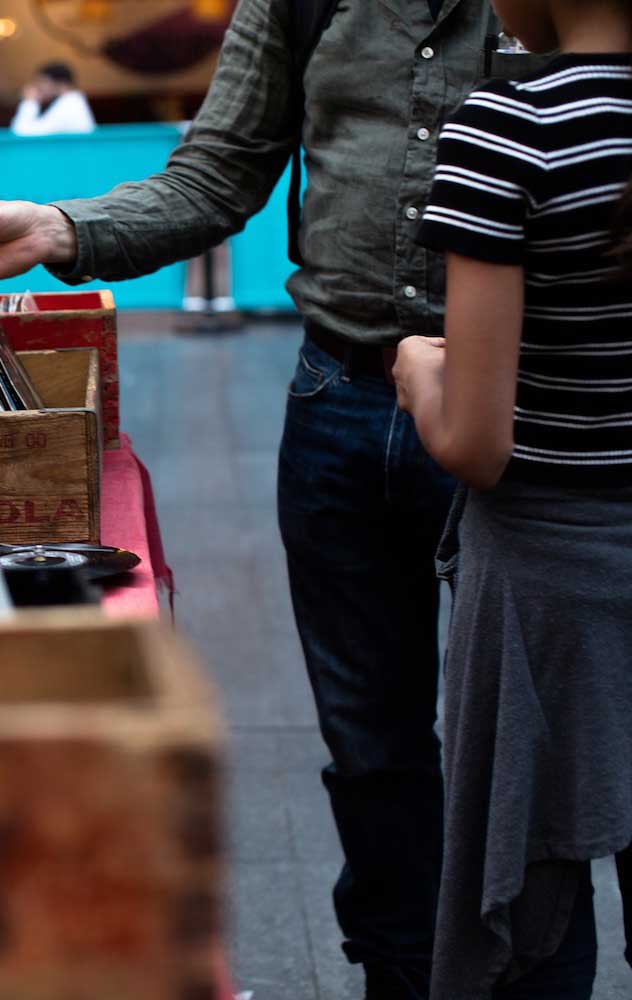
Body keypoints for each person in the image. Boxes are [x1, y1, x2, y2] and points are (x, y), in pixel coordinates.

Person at [0, 3, 544, 996]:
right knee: (370, 743)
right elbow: (216, 175)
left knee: (524, 747)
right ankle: (400, 972)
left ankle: (516, 975)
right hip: (338, 402)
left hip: (517, 406)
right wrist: (57, 228)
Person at [393, 1, 632, 996]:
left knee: (529, 915)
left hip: (543, 579)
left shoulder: (510, 126)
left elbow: (477, 445)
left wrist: (417, 370)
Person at [10, 62, 96, 137]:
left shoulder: (70, 104)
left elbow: (21, 133)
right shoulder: (71, 101)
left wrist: (29, 101)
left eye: (44, 82)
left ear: (62, 84)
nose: (39, 87)